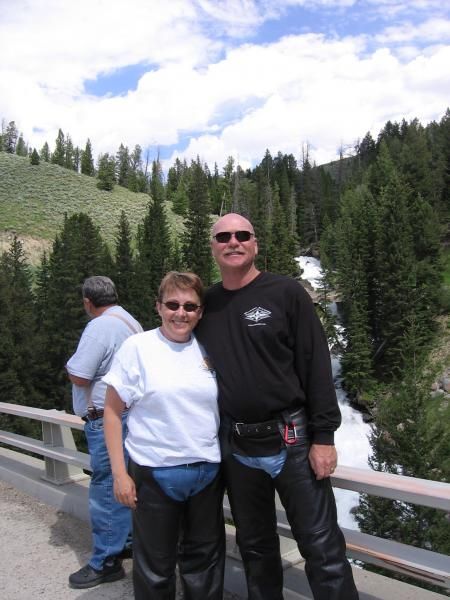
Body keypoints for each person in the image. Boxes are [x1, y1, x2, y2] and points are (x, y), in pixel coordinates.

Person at [195, 213, 359, 600]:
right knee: (255, 549)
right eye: (223, 236)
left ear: (255, 244)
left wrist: (324, 436)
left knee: (321, 547)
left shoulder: (285, 293)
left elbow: (315, 364)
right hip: (237, 446)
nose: (233, 241)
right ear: (213, 246)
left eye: (242, 235)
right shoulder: (208, 305)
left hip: (294, 440)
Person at [103, 271, 225, 600]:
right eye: (172, 304)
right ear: (158, 307)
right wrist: (119, 474)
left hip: (207, 472)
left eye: (190, 306)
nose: (180, 313)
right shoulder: (138, 348)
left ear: (200, 312)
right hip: (155, 473)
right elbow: (112, 413)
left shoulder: (208, 349)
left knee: (205, 566)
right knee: (155, 570)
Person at [66, 275, 143, 589]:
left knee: (105, 486)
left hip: (105, 418)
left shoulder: (99, 326)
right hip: (128, 416)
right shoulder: (130, 321)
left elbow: (81, 375)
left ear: (88, 302)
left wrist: (70, 366)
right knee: (122, 481)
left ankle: (106, 561)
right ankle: (125, 541)